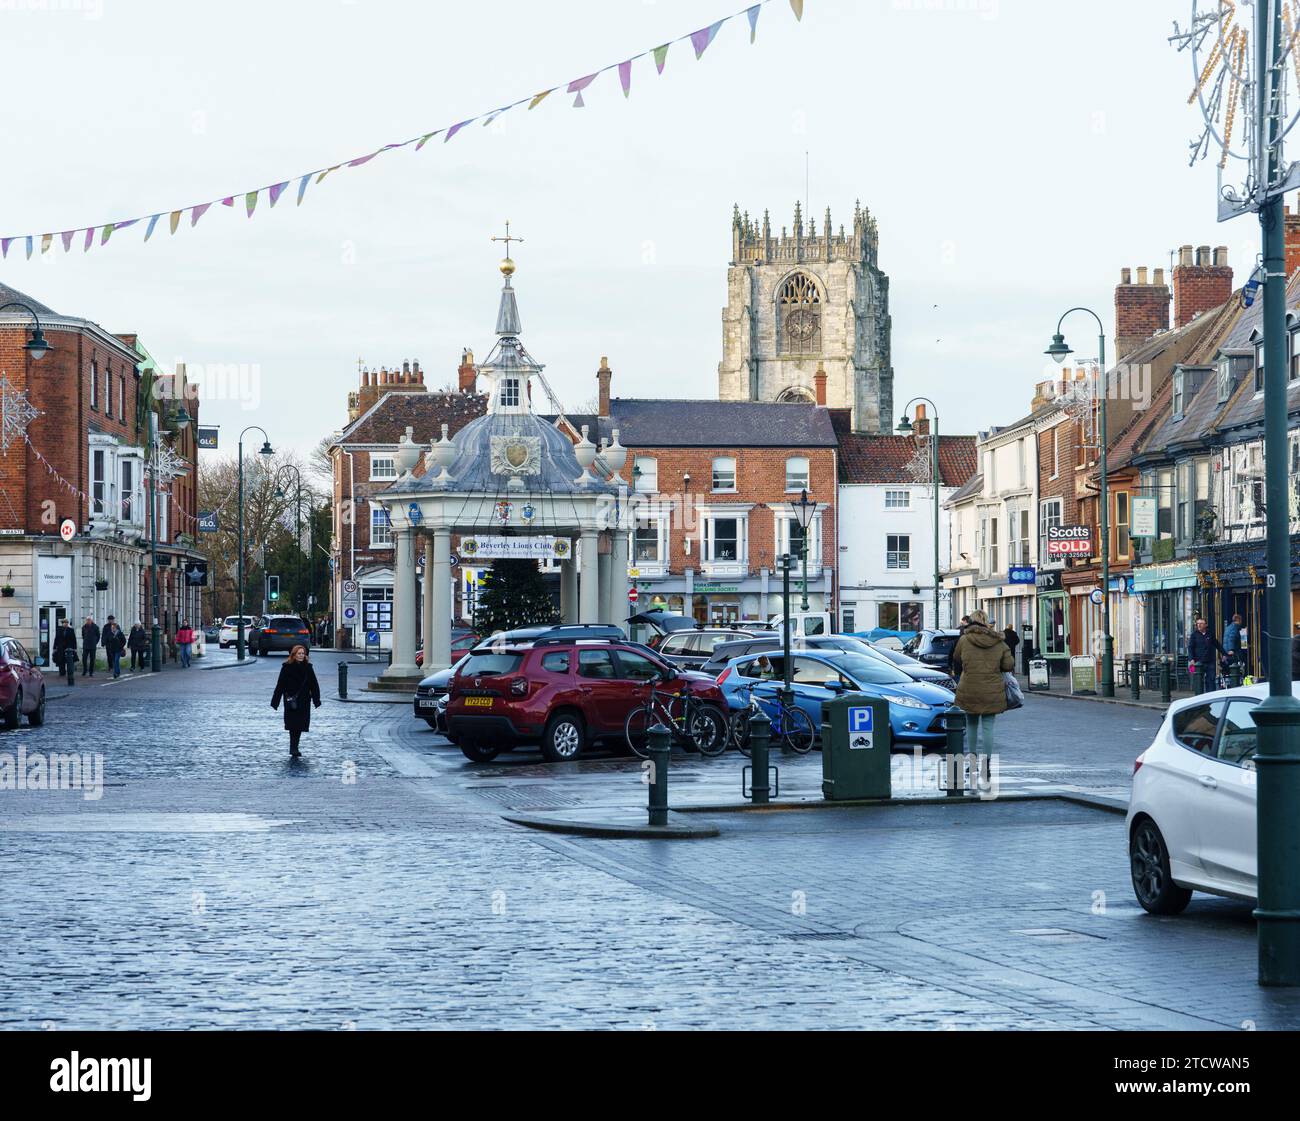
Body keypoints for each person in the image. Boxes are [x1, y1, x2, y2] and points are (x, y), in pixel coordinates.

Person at [951, 609, 1015, 756]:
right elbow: (1008, 665)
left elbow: (956, 658)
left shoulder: (964, 640)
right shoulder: (999, 641)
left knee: (971, 725)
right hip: (992, 690)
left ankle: (972, 758)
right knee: (988, 727)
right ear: (987, 622)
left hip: (969, 688)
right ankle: (987, 762)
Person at [271, 644, 321, 758]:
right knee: (292, 725)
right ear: (293, 655)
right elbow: (280, 685)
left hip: (303, 701)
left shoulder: (308, 667)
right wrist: (275, 701)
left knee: (300, 725)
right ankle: (293, 748)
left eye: (303, 653)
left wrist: (316, 700)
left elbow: (314, 685)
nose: (301, 655)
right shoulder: (286, 667)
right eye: (299, 653)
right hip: (291, 700)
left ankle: (295, 747)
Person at [1187, 617, 1223, 695]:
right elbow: (1190, 647)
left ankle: (1211, 697)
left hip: (1210, 661)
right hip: (1199, 662)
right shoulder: (1194, 635)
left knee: (1211, 680)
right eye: (1198, 624)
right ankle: (1199, 697)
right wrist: (1191, 659)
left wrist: (1225, 654)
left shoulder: (1210, 634)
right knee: (1199, 680)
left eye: (1201, 623)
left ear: (1205, 625)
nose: (1199, 625)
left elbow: (1217, 645)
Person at [53, 619, 78, 685]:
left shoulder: (71, 630)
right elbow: (56, 639)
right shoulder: (59, 630)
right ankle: (62, 673)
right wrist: (54, 647)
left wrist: (75, 648)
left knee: (69, 660)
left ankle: (69, 673)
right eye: (64, 623)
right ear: (62, 623)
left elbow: (74, 639)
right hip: (61, 647)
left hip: (68, 647)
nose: (65, 624)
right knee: (61, 660)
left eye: (66, 623)